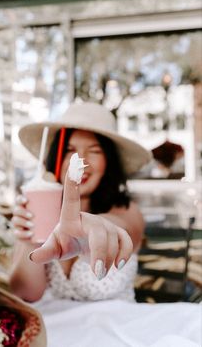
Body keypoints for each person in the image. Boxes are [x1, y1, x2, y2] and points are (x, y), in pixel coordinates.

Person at [10, 102, 151, 303]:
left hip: (117, 328)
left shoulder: (127, 212)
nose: (80, 160)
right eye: (69, 150)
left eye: (94, 151)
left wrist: (93, 224)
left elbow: (117, 226)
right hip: (59, 331)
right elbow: (26, 294)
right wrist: (29, 240)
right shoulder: (39, 211)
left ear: (109, 162)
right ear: (54, 160)